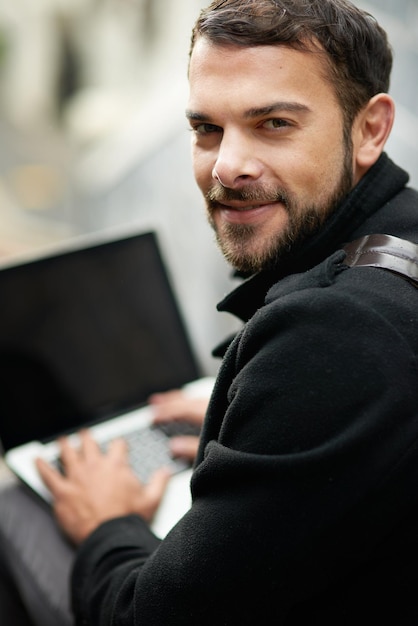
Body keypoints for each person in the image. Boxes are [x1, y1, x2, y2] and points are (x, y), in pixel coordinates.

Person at [2, 0, 418, 623]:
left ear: (369, 130)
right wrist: (250, 406)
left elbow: (151, 616)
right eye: (207, 128)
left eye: (274, 123)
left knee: (15, 504)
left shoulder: (334, 336)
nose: (226, 166)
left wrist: (107, 521)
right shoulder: (404, 233)